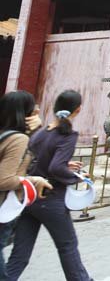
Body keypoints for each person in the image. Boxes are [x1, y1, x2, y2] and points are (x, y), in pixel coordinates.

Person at [7, 90, 96, 281]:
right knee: (67, 246)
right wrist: (77, 177)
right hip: (51, 198)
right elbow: (56, 167)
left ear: (55, 107)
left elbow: (38, 160)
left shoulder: (42, 133)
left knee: (20, 255)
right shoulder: (68, 135)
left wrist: (65, 165)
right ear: (78, 109)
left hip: (30, 199)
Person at [0, 91, 52, 279]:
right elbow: (4, 179)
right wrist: (32, 181)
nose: (37, 111)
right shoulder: (18, 139)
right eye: (34, 109)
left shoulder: (7, 135)